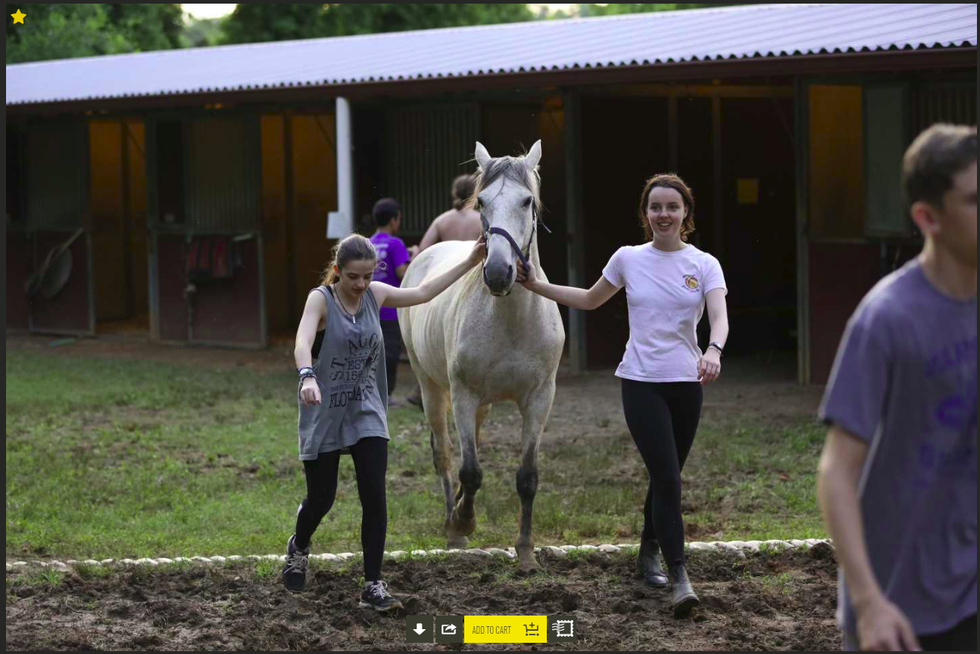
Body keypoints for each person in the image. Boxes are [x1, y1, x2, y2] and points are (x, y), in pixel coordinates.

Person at [516, 173, 729, 617]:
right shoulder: (629, 258)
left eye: (672, 207)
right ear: (645, 214)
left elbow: (719, 317)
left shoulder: (705, 264)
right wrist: (536, 286)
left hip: (687, 385)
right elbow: (591, 299)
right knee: (669, 478)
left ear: (686, 212)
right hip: (641, 382)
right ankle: (680, 576)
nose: (664, 215)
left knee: (663, 476)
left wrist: (713, 349)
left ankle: (647, 551)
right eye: (656, 207)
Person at [816, 124, 977, 652]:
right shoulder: (886, 320)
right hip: (897, 609)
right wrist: (868, 603)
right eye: (975, 200)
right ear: (929, 218)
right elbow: (837, 471)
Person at [282, 232, 486, 611]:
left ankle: (373, 584)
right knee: (321, 499)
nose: (360, 285)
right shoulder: (320, 299)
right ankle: (300, 544)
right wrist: (307, 374)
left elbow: (424, 291)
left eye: (366, 276)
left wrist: (471, 260)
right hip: (324, 408)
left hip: (367, 410)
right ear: (338, 271)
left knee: (375, 497)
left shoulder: (377, 294)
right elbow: (301, 340)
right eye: (352, 277)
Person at [405, 174, 483, 408]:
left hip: (448, 285)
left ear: (454, 194)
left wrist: (412, 251)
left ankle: (426, 385)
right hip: (475, 285)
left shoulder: (442, 221)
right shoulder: (481, 219)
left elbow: (423, 251)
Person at [368, 198, 412, 399]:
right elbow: (402, 272)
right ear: (393, 220)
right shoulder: (396, 243)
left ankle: (370, 391)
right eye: (399, 218)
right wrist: (415, 258)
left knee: (371, 352)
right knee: (391, 354)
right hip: (390, 310)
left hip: (369, 308)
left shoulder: (367, 242)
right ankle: (386, 395)